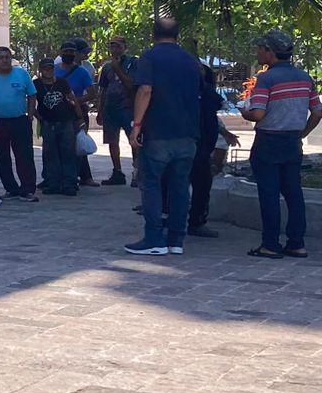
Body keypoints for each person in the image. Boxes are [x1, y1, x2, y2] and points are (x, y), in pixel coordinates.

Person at [125, 17, 204, 257]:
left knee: (151, 185)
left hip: (159, 132)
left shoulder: (149, 58)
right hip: (187, 133)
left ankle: (154, 238)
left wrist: (136, 126)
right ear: (178, 34)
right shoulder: (191, 61)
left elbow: (145, 90)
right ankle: (176, 240)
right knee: (180, 187)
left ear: (153, 34)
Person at [241, 30, 321, 259]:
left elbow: (257, 114)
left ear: (270, 52)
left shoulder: (267, 78)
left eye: (260, 48)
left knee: (269, 193)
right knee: (293, 193)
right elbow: (317, 112)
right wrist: (302, 132)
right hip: (292, 140)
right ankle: (297, 243)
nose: (257, 52)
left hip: (268, 140)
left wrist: (244, 112)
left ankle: (270, 244)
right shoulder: (305, 77)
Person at [188, 63, 239, 237]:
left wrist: (224, 133)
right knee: (198, 184)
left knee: (194, 184)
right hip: (196, 146)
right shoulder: (206, 95)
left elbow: (214, 119)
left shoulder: (198, 94)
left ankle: (188, 220)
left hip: (193, 146)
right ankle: (193, 221)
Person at [0, 46, 40, 202]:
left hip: (19, 120)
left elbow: (32, 94)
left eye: (7, 57)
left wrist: (30, 114)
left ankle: (27, 189)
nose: (5, 60)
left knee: (24, 156)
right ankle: (11, 188)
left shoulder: (21, 74)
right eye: (1, 58)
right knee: (2, 158)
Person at [34, 59, 81, 196]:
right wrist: (39, 117)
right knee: (50, 154)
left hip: (65, 122)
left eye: (50, 68)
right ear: (40, 70)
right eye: (45, 69)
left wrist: (79, 118)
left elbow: (72, 98)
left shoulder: (62, 82)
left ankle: (70, 184)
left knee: (68, 154)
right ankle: (53, 183)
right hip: (48, 123)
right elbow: (31, 101)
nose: (48, 71)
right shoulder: (36, 84)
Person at [54, 41, 98, 187]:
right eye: (66, 51)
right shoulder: (53, 70)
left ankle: (85, 176)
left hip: (77, 111)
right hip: (57, 111)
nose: (69, 54)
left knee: (79, 143)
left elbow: (92, 93)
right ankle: (57, 176)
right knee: (57, 144)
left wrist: (75, 101)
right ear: (60, 53)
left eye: (72, 52)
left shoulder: (83, 72)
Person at [95, 37, 137, 185]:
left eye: (118, 46)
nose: (114, 50)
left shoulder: (132, 63)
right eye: (112, 46)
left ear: (124, 47)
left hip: (128, 108)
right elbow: (104, 89)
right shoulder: (106, 67)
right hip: (110, 109)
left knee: (134, 141)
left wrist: (117, 68)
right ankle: (117, 172)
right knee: (112, 141)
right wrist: (100, 109)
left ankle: (137, 172)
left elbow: (132, 85)